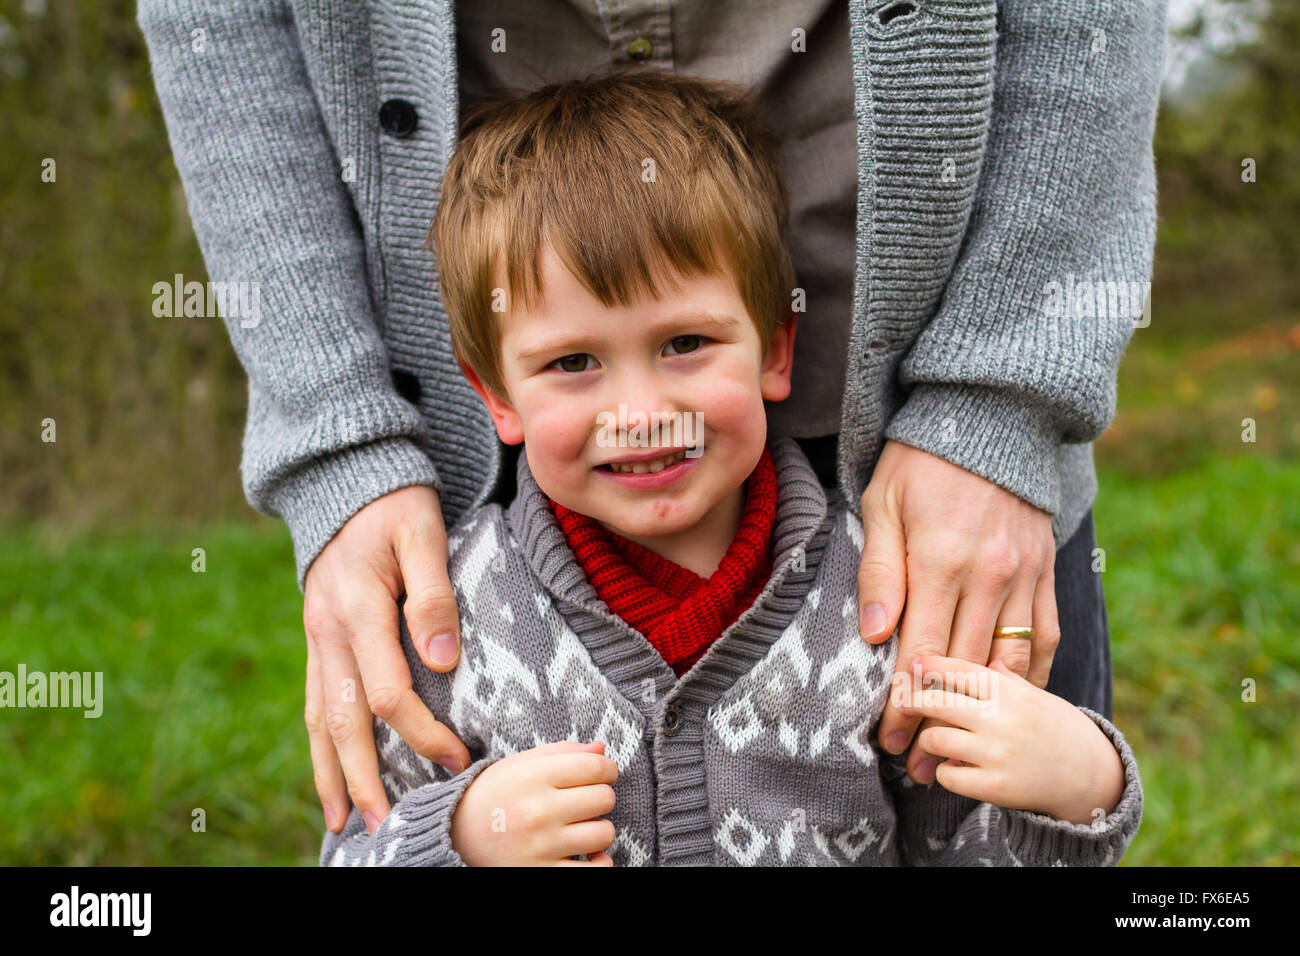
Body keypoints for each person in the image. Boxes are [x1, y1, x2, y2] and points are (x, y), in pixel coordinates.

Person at [137, 1, 1167, 838]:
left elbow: (968, 839)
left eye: (683, 345)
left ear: (774, 344)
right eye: (574, 363)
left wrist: (1080, 781)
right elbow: (363, 831)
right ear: (490, 390)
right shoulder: (460, 615)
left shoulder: (872, 602)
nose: (637, 412)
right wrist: (453, 835)